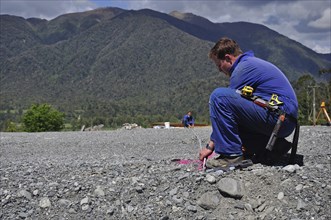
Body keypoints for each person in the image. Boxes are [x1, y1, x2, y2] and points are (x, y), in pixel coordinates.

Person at [199, 37, 298, 168]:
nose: (219, 70)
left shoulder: (243, 68)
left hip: (280, 119)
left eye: (219, 65)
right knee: (231, 117)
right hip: (284, 121)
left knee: (218, 97)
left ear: (228, 58)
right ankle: (274, 147)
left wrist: (209, 146)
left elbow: (223, 107)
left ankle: (231, 157)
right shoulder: (249, 63)